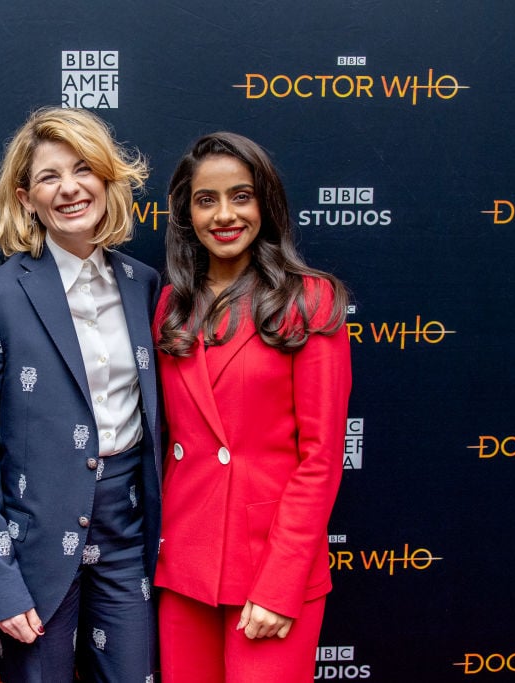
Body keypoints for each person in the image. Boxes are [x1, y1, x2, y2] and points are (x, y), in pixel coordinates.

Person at [0, 107, 162, 682]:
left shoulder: (143, 284)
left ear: (107, 179)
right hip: (35, 543)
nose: (70, 188)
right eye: (50, 177)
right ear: (27, 198)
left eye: (83, 169)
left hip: (127, 534)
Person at [153, 132, 352, 683]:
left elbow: (320, 459)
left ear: (266, 204)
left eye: (240, 196)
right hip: (185, 564)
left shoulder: (309, 300)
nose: (224, 215)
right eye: (206, 200)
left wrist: (280, 585)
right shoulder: (171, 305)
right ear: (186, 213)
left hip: (270, 567)